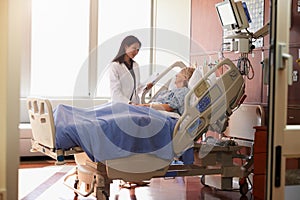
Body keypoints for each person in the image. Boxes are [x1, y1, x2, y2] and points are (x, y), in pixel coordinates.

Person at [109, 35, 152, 104]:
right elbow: (115, 92)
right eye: (134, 48)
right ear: (126, 47)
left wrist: (146, 87)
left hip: (134, 104)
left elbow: (136, 88)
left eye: (138, 50)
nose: (136, 52)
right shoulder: (115, 66)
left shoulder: (135, 65)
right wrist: (129, 103)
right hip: (120, 104)